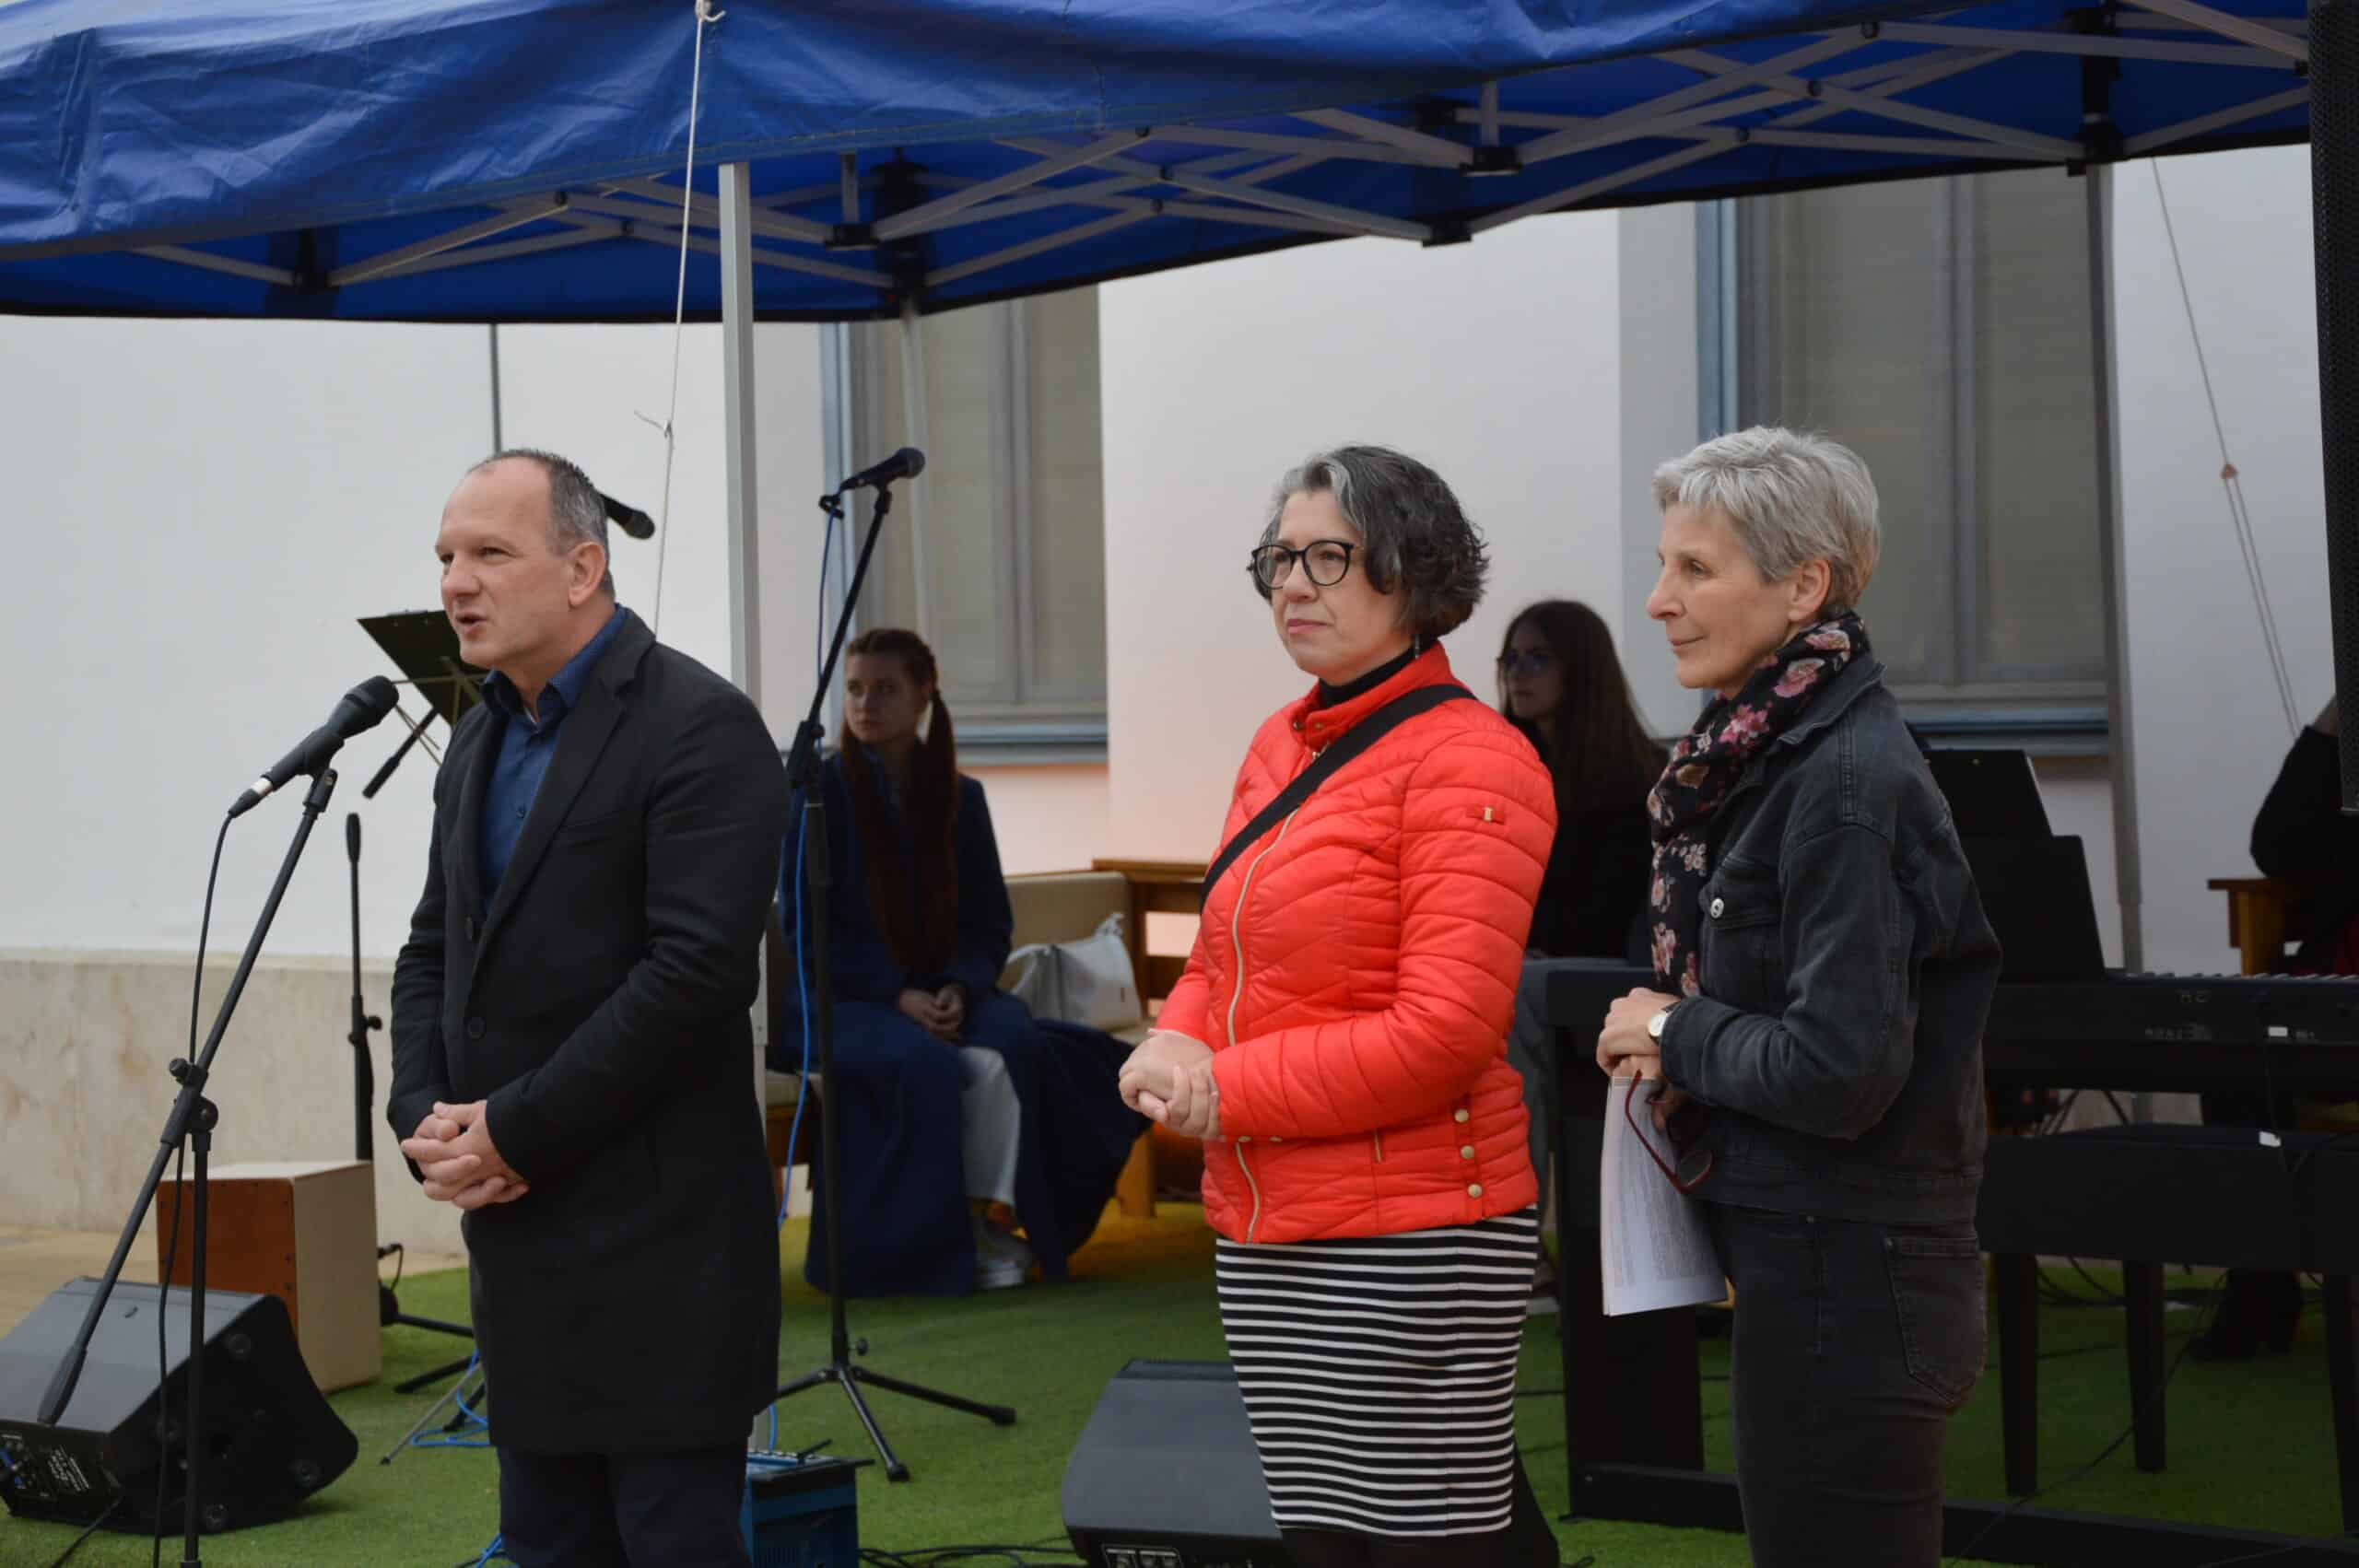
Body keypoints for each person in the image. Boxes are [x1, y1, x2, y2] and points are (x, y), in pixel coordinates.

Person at [1120, 445, 1562, 1568]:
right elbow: (1225, 946)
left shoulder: (1476, 758)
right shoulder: (1279, 741)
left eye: (1329, 557)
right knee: (1327, 1537)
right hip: (1267, 1214)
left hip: (1415, 1230)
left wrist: (1223, 1090)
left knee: (1425, 1542)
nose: (1292, 585)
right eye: (1280, 559)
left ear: (1414, 573)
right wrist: (1174, 1035)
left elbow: (1445, 1033)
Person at [1593, 427, 2001, 1567]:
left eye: (1694, 568)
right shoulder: (1764, 753)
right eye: (1664, 565)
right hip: (1819, 1258)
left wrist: (1671, 1027)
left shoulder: (1841, 778)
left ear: (1803, 586)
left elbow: (1838, 1068)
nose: (1658, 600)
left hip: (1850, 1270)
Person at [390, 451, 788, 1568]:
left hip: (659, 1242)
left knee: (671, 1542)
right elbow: (434, 947)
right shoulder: (479, 733)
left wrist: (515, 1127)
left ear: (582, 569)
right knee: (549, 1542)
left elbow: (694, 974)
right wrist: (424, 1116)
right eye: (445, 557)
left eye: (489, 553)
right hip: (522, 1240)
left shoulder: (698, 724)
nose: (456, 583)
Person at [777, 626, 1143, 1297]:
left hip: (943, 990)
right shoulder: (817, 794)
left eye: (885, 688)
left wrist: (959, 987)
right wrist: (896, 995)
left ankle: (1007, 1220)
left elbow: (988, 923)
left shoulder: (959, 796)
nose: (865, 704)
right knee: (925, 1065)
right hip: (843, 997)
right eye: (855, 689)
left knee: (1022, 1043)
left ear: (924, 694)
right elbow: (805, 930)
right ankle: (935, 1250)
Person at [1494, 601, 1662, 1309]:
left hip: (1620, 974)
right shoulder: (1496, 766)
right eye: (1510, 660)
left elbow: (1623, 910)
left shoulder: (1640, 777)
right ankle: (1489, 1243)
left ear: (1581, 669)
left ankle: (1516, 1249)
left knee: (1513, 996)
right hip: (1531, 967)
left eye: (1538, 658)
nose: (1518, 675)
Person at [2198, 691, 2359, 1356]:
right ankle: (2262, 1296)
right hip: (2336, 1014)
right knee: (2237, 1069)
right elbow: (2278, 845)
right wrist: (2333, 721)